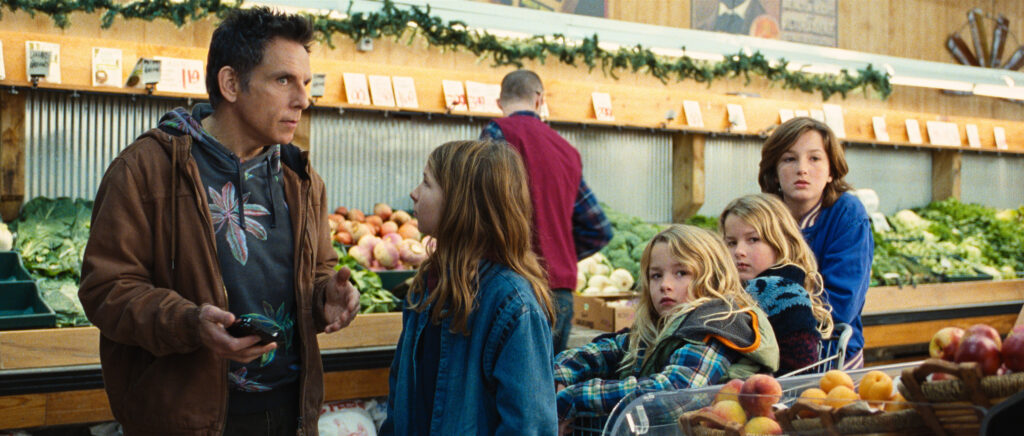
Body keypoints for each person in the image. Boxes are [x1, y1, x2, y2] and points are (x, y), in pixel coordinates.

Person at [78, 8, 360, 435]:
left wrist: (326, 299)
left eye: (305, 83)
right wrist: (190, 323)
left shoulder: (301, 180)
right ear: (230, 84)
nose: (303, 99)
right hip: (186, 419)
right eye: (283, 80)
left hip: (291, 412)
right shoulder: (145, 170)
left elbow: (318, 270)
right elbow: (106, 289)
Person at [380, 140, 558, 435]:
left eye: (426, 182)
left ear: (461, 204)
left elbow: (530, 425)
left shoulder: (513, 306)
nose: (414, 192)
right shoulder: (428, 286)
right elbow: (401, 394)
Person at [554, 225, 778, 425]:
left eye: (681, 273)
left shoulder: (718, 323)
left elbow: (675, 393)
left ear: (713, 277)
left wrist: (574, 397)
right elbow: (603, 352)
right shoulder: (660, 328)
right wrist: (558, 377)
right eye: (656, 275)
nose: (665, 285)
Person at [481, 69, 613, 355]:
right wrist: (558, 252)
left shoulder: (498, 133)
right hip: (559, 293)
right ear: (539, 99)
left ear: (499, 102)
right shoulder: (567, 151)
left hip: (510, 284)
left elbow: (479, 205)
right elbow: (599, 228)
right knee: (545, 388)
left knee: (502, 393)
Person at [759, 116, 874, 369]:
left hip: (830, 356)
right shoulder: (761, 216)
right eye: (789, 159)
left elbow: (842, 305)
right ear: (774, 171)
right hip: (768, 355)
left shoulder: (847, 213)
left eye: (815, 158)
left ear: (832, 170)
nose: (802, 169)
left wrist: (773, 310)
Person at [720, 193, 835, 375]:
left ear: (781, 242)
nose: (739, 251)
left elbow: (799, 372)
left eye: (753, 239)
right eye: (731, 242)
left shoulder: (784, 294)